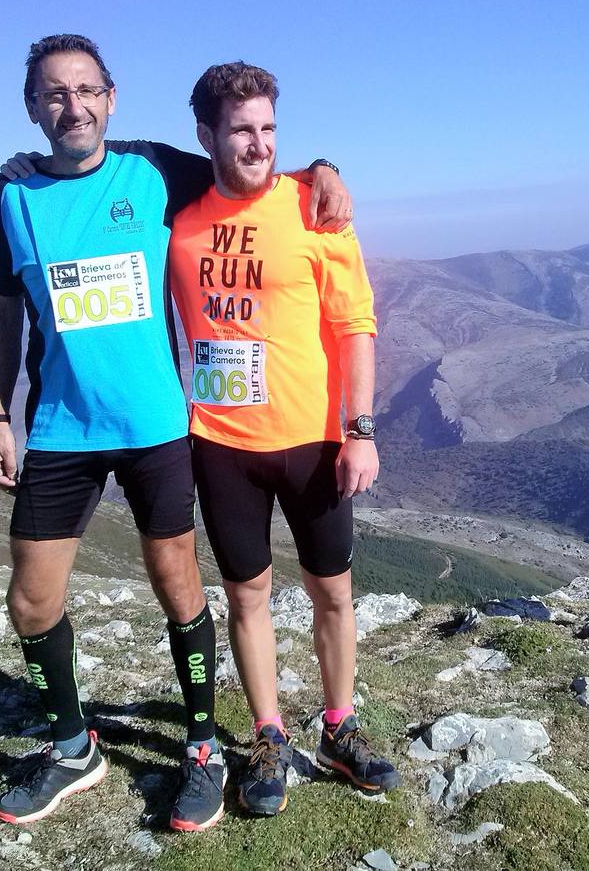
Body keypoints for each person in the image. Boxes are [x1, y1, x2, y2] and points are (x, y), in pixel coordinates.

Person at [0, 34, 350, 830]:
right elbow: (5, 309)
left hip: (157, 427)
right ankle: (73, 746)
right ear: (31, 107)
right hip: (59, 426)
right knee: (31, 602)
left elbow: (250, 171)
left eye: (86, 89)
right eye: (53, 93)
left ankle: (200, 748)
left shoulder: (154, 169)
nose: (71, 105)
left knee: (180, 590)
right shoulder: (9, 197)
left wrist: (321, 169)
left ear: (111, 98)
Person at [168, 61, 398, 817]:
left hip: (312, 441)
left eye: (269, 129)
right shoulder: (176, 214)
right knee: (247, 595)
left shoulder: (315, 208)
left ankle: (340, 724)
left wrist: (359, 430)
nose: (258, 144)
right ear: (206, 135)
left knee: (331, 588)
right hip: (220, 442)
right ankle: (268, 734)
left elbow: (354, 325)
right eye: (240, 129)